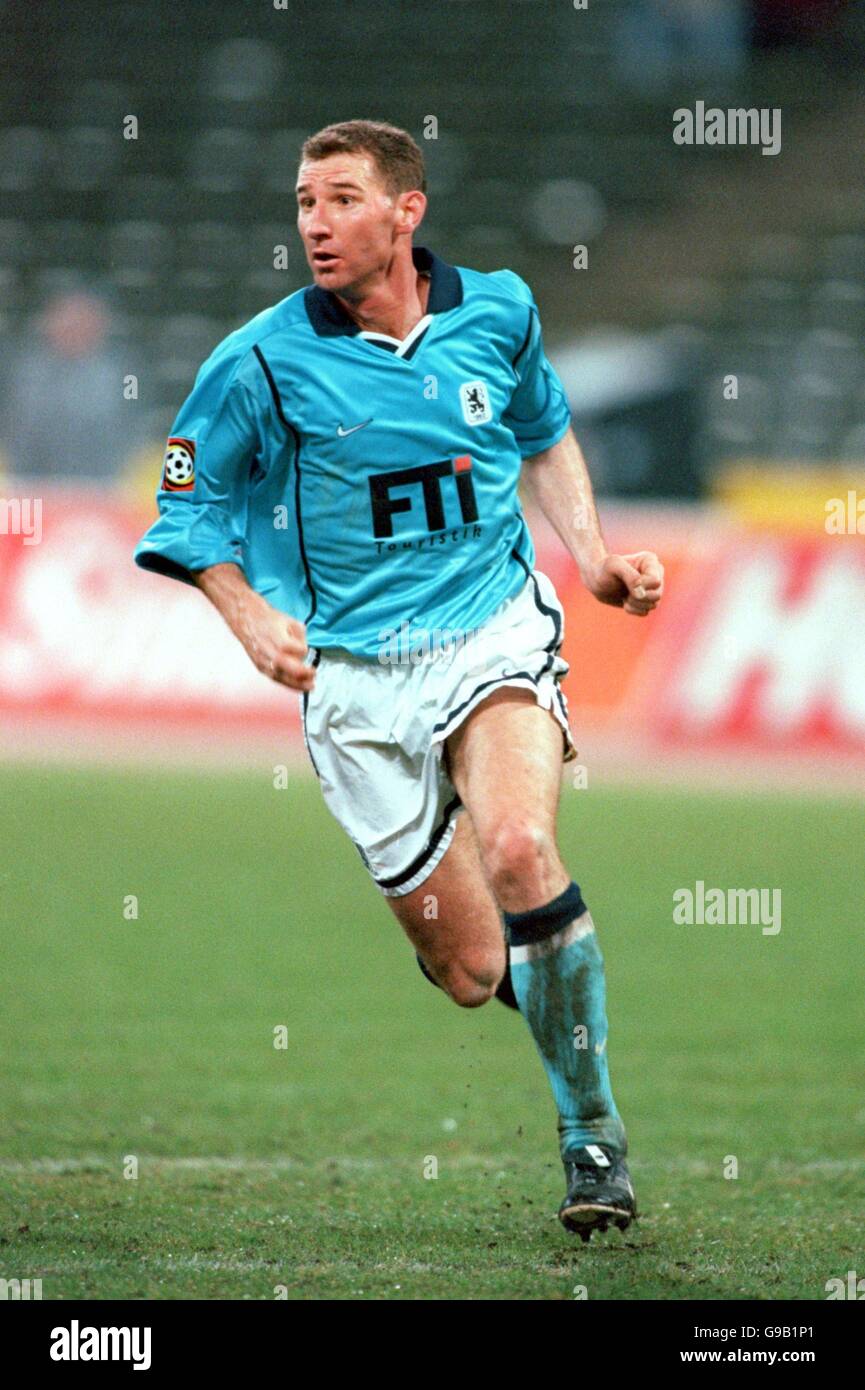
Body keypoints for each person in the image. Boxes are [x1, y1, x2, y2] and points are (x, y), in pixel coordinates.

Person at [134, 120, 664, 1240]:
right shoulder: (260, 360)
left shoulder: (499, 309)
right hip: (359, 685)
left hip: (489, 635)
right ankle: (559, 985)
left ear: (405, 211)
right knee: (475, 967)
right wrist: (245, 615)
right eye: (302, 204)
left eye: (338, 200)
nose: (315, 224)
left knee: (522, 848)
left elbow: (544, 433)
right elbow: (185, 510)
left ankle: (592, 1137)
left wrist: (595, 556)